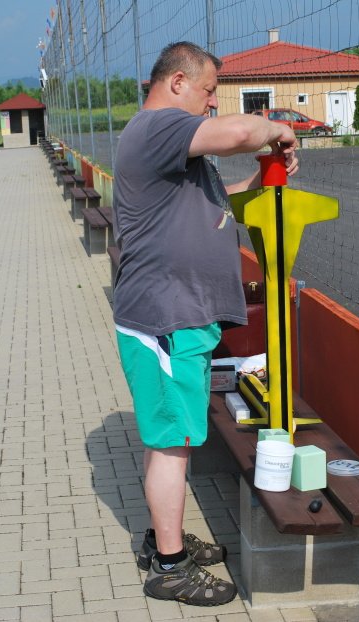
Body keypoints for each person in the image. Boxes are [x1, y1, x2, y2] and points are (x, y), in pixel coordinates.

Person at [111, 42, 299, 607]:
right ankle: (170, 567)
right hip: (165, 318)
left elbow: (218, 205)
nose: (212, 104)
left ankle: (164, 535)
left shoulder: (179, 153)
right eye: (209, 91)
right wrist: (278, 131)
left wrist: (261, 186)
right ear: (175, 83)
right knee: (173, 445)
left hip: (178, 317)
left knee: (175, 439)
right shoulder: (157, 128)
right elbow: (243, 134)